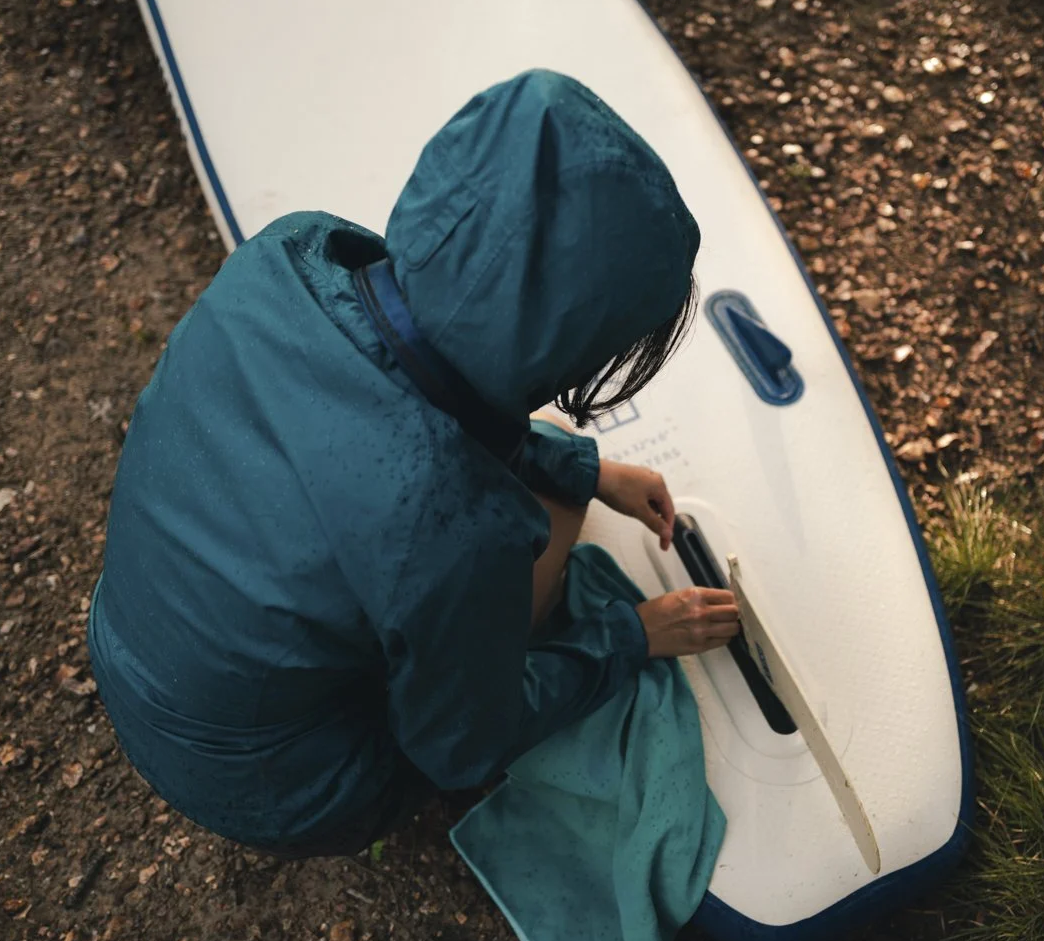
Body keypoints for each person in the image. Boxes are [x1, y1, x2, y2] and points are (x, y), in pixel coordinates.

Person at [86, 70, 740, 858]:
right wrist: (631, 637)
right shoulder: (454, 526)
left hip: (131, 656)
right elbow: (461, 747)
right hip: (282, 792)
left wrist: (579, 463)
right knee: (550, 533)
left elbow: (382, 391)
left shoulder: (292, 250)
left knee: (514, 459)